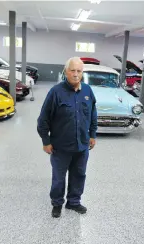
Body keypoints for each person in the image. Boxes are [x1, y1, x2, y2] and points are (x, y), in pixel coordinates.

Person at [37, 57, 98, 218]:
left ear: (82, 73)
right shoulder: (56, 92)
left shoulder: (87, 91)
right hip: (60, 147)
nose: (76, 74)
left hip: (82, 145)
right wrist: (46, 141)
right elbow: (43, 119)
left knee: (79, 174)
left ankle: (74, 202)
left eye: (79, 71)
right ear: (66, 71)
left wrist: (92, 135)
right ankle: (57, 203)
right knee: (58, 178)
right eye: (72, 70)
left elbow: (93, 115)